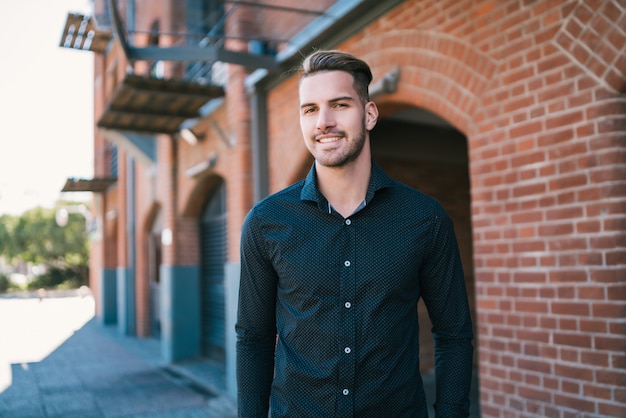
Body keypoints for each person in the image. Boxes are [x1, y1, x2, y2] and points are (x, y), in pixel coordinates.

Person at [236, 50, 474, 417]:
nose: (324, 122)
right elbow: (253, 340)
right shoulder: (267, 222)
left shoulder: (425, 219)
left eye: (340, 104)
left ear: (369, 114)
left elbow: (454, 335)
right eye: (310, 109)